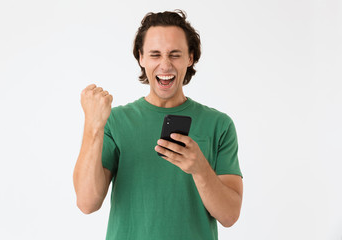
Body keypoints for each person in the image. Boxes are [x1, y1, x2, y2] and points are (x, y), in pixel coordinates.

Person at [73, 10, 243, 240]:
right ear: (141, 58)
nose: (165, 65)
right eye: (155, 54)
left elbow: (230, 215)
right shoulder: (115, 121)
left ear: (190, 58)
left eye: (175, 54)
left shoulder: (219, 125)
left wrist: (200, 169)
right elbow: (87, 202)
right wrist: (93, 126)